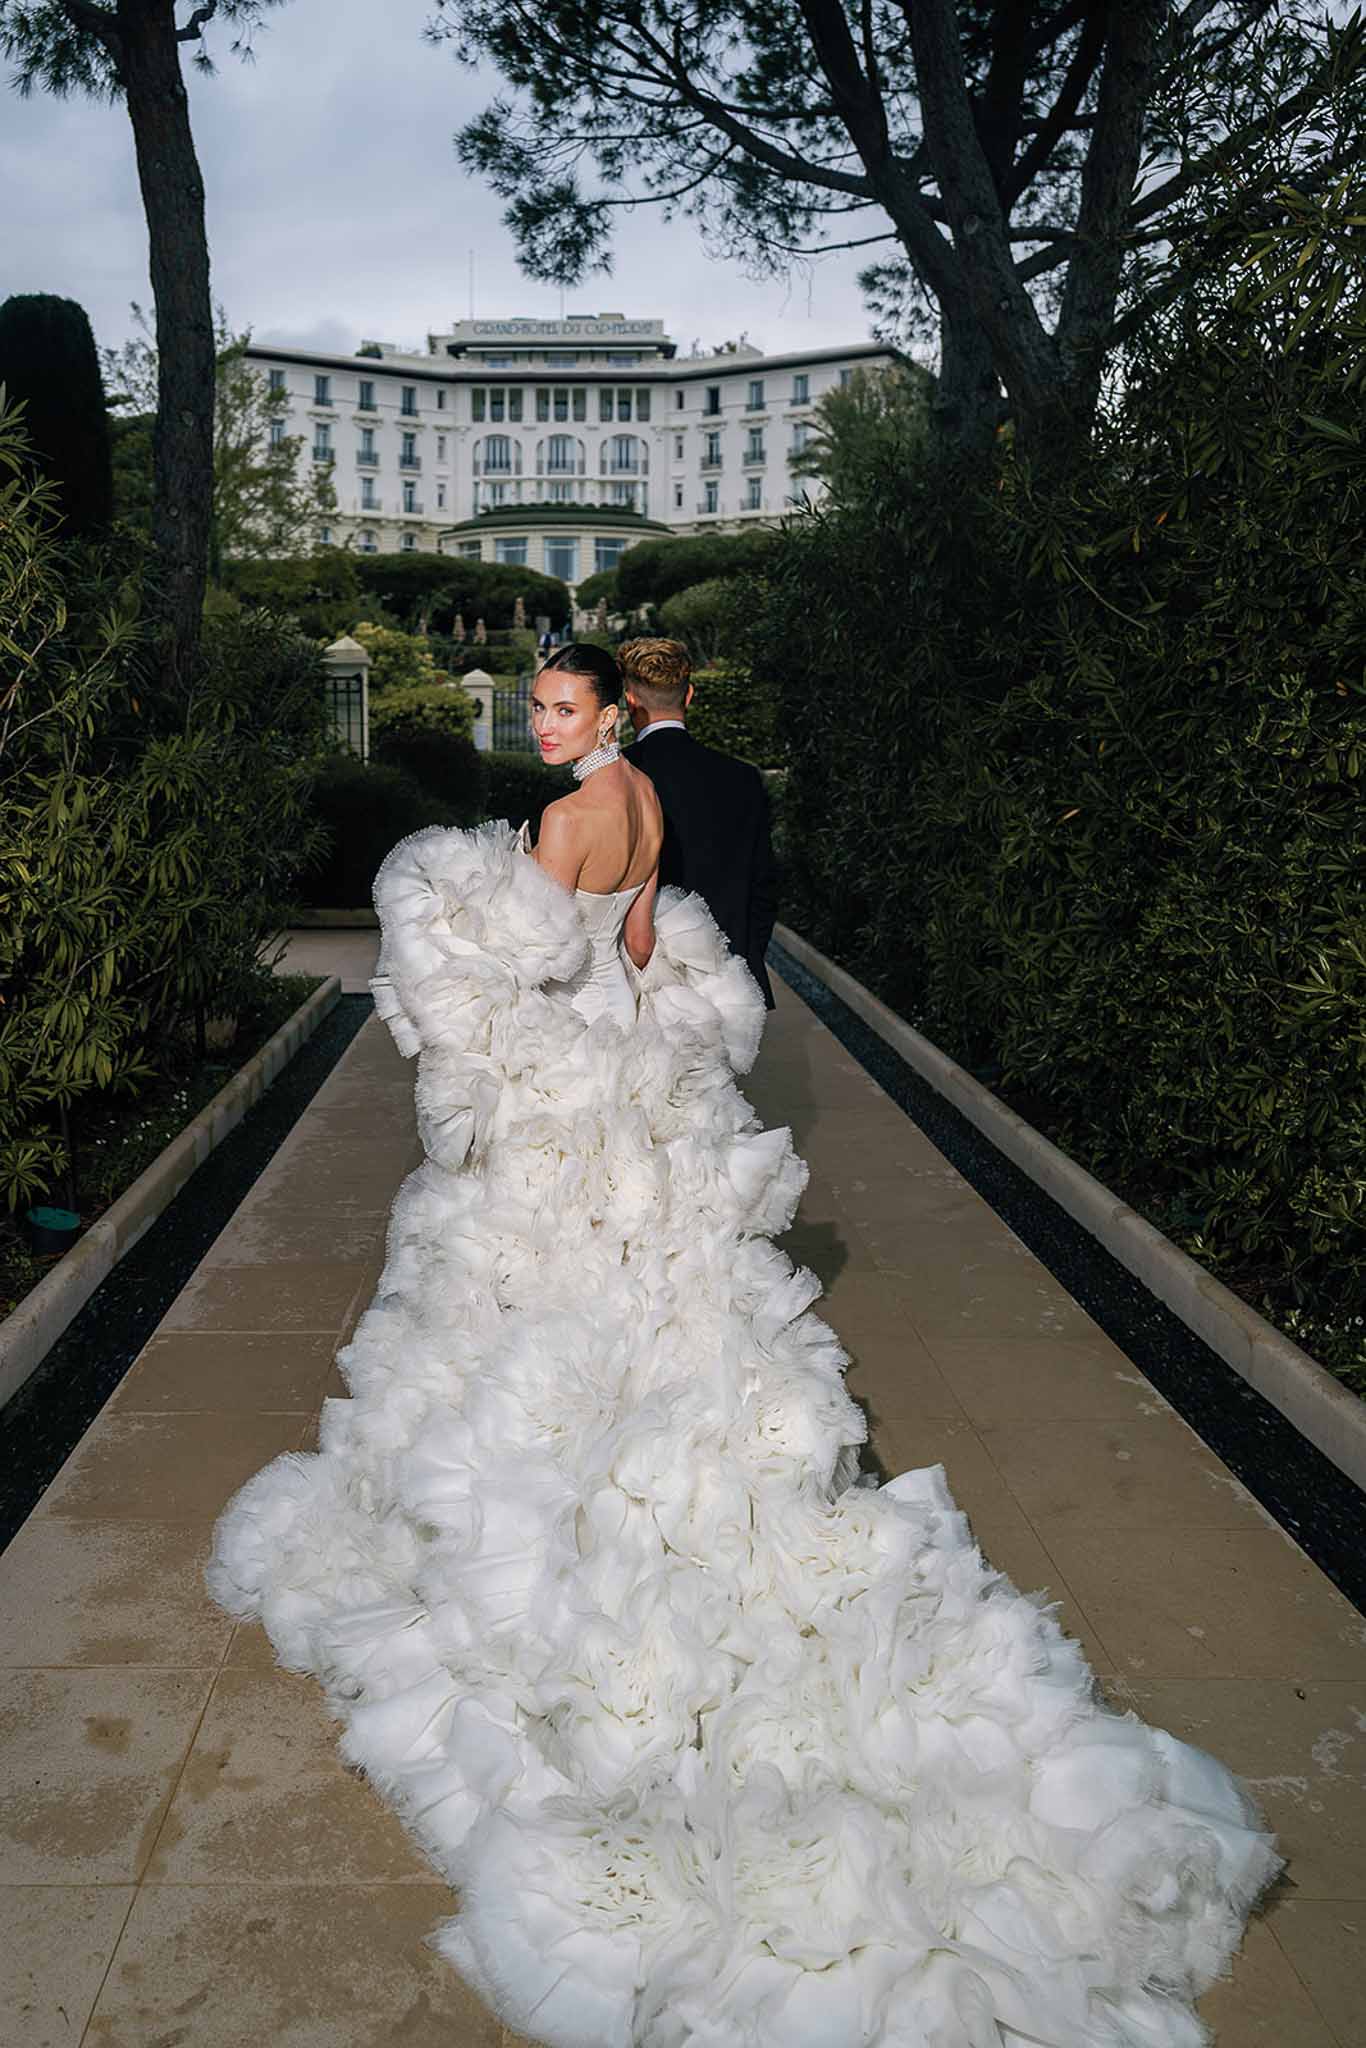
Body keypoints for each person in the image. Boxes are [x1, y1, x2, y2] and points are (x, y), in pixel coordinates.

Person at [207, 640, 1277, 2048]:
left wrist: (460, 921)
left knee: (548, 1326)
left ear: (608, 711)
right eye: (531, 705)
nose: (540, 724)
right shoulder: (644, 804)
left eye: (559, 706)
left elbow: (510, 984)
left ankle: (583, 1503)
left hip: (568, 1114)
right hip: (643, 1099)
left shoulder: (576, 815)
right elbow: (647, 946)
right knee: (668, 1315)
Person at [619, 636, 778, 1008]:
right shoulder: (742, 778)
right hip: (728, 984)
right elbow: (764, 886)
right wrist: (743, 957)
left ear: (629, 701)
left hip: (641, 986)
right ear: (689, 695)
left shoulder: (617, 776)